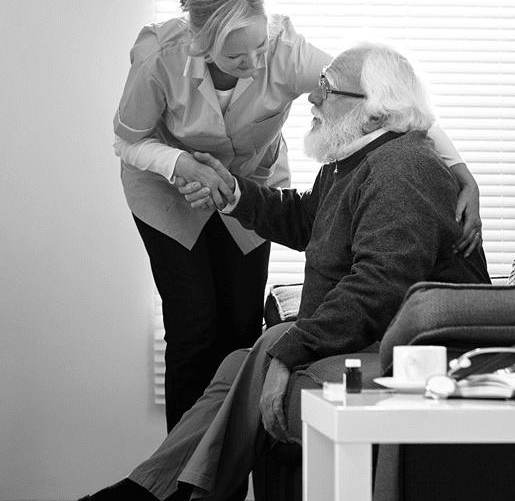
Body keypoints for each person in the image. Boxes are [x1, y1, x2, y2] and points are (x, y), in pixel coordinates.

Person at [84, 41, 491, 501]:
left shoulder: (402, 170)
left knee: (269, 346)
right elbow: (307, 222)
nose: (313, 100)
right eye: (318, 86)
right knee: (238, 364)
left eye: (329, 91)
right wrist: (233, 192)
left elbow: (378, 286)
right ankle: (155, 492)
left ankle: (145, 496)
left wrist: (292, 352)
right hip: (380, 334)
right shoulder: (355, 159)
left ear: (377, 114)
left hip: (416, 350)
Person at [114, 0, 482, 431]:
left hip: (249, 178)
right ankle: (177, 485)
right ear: (202, 48)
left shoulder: (392, 164)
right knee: (194, 326)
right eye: (236, 57)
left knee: (239, 336)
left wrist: (461, 171)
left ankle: (174, 484)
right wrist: (180, 165)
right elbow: (127, 141)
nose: (255, 65)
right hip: (166, 184)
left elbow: (388, 96)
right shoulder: (160, 58)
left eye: (258, 48)